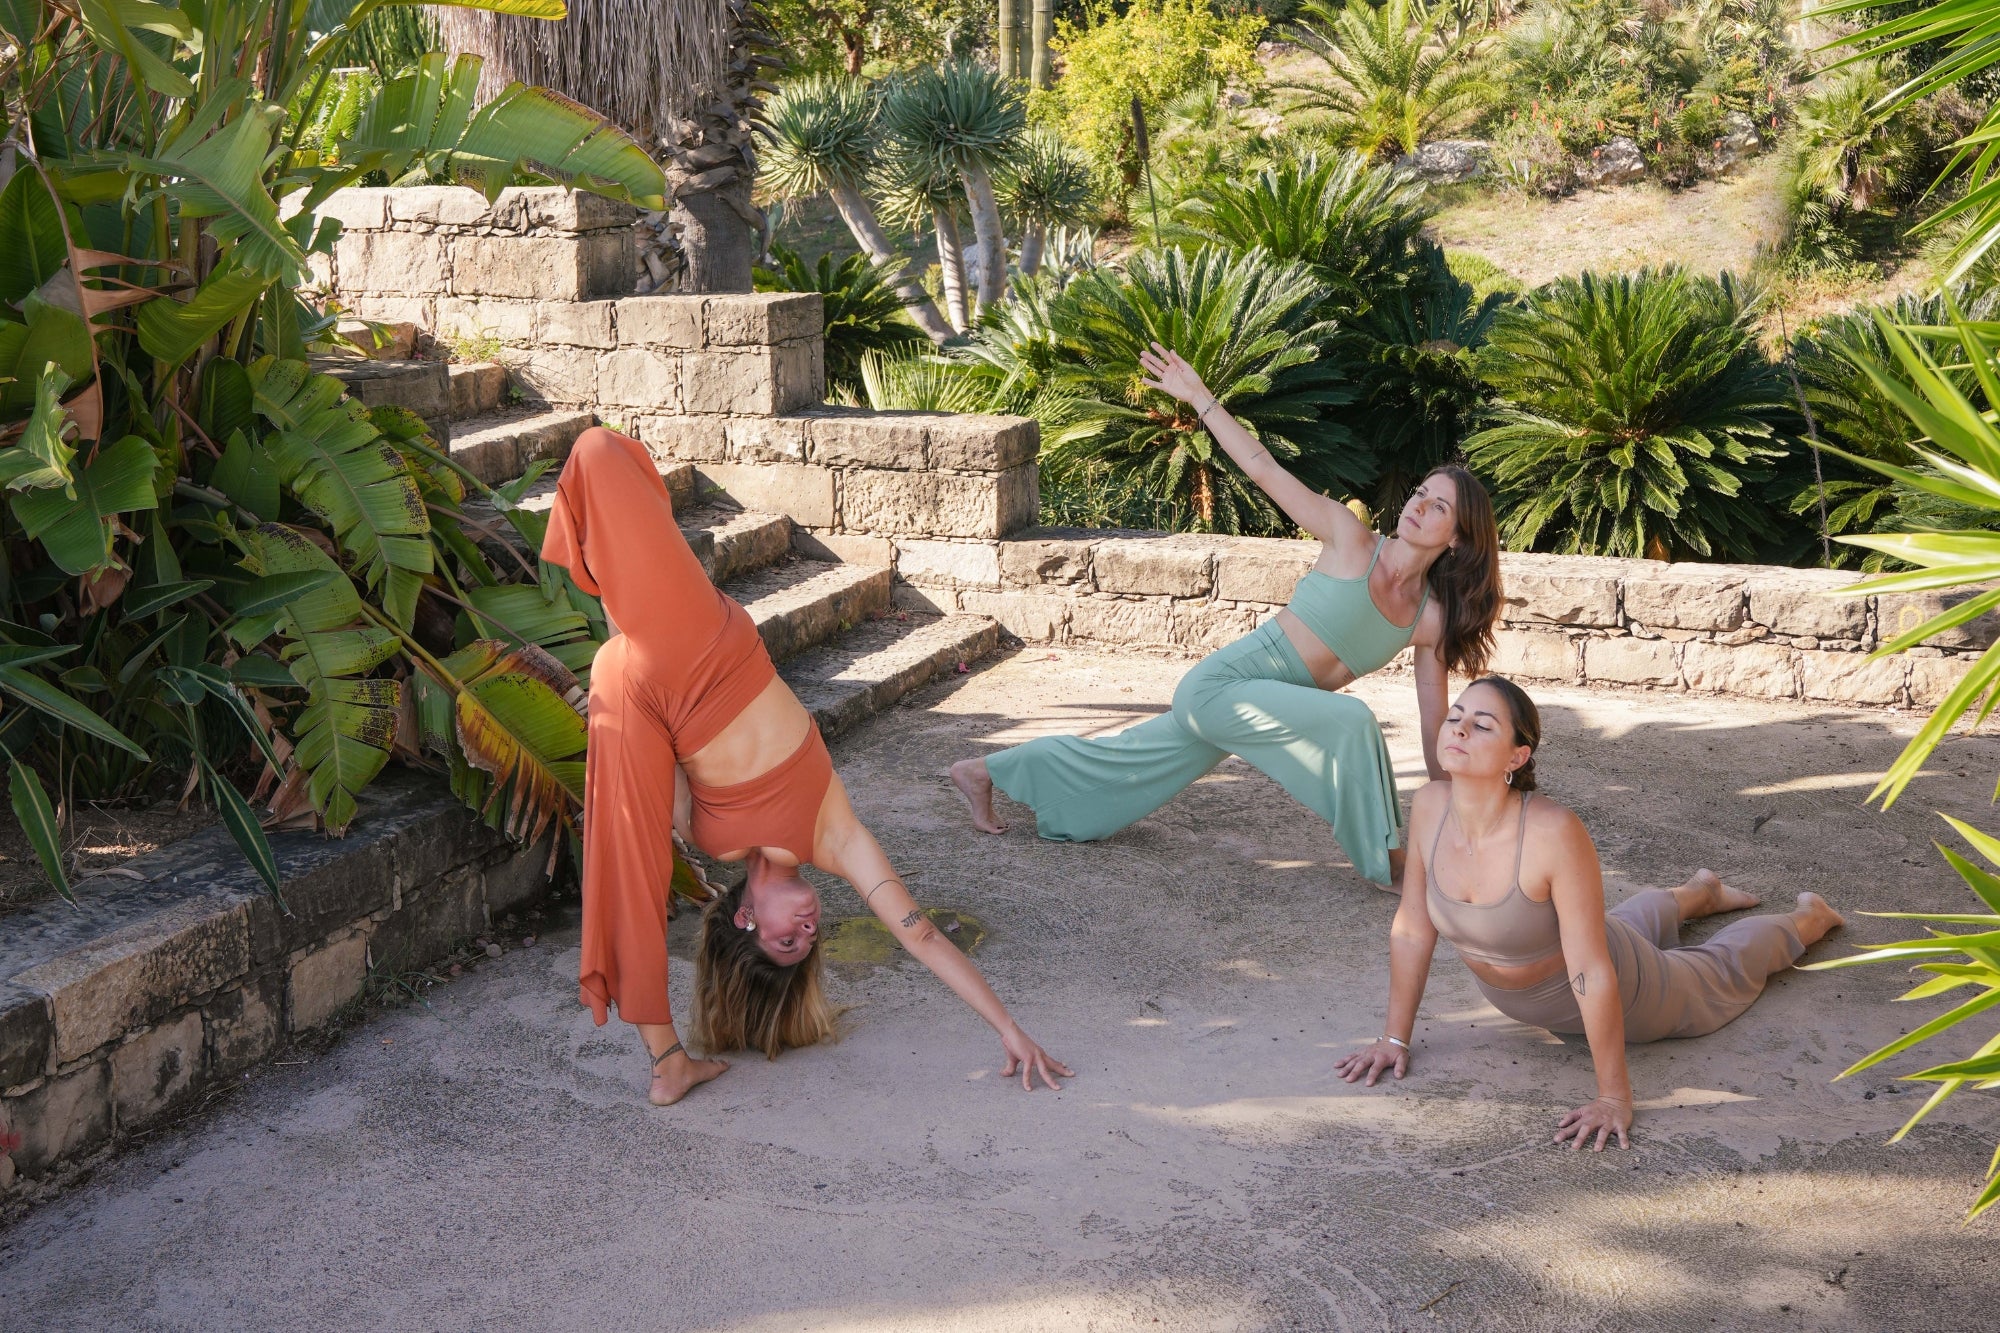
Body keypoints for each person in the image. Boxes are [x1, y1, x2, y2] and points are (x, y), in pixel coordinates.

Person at [541, 427, 1072, 1106]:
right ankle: (669, 1061)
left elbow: (654, 764)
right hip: (699, 641)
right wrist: (1008, 1028)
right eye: (810, 941)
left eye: (788, 942)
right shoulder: (836, 836)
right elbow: (922, 935)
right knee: (602, 457)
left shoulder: (707, 837)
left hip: (656, 674)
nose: (809, 929)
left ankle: (666, 1059)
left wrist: (622, 652)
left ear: (746, 921)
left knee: (625, 849)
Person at [951, 343, 1503, 889]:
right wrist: (1200, 398)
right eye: (1420, 492)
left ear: (1458, 538)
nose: (1418, 505)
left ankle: (983, 771)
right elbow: (1263, 468)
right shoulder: (1350, 538)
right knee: (1354, 720)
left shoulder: (1429, 621)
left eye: (1439, 506)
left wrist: (1458, 810)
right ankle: (1389, 862)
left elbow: (1434, 724)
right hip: (1221, 689)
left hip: (1267, 709)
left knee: (1127, 764)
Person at [1334, 676, 1846, 1149]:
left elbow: (1591, 969)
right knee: (1612, 924)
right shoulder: (1430, 804)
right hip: (1553, 971)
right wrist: (1394, 1038)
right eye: (1456, 717)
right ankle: (1700, 893)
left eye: (1483, 725)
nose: (1460, 729)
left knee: (1717, 970)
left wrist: (1613, 1097)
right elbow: (1412, 929)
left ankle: (1810, 918)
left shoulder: (1553, 831)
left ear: (1517, 756)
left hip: (1632, 990)